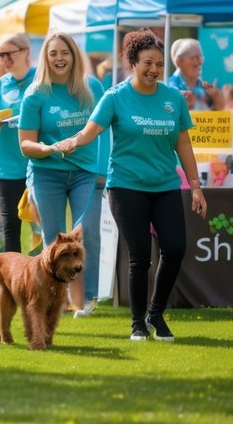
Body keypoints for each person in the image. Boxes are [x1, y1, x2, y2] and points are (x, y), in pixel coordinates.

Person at [57, 29, 207, 341]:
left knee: (176, 248)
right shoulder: (115, 97)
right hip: (126, 187)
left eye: (159, 64)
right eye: (147, 63)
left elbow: (183, 142)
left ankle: (156, 313)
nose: (154, 69)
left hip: (165, 185)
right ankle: (138, 323)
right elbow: (89, 131)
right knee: (140, 256)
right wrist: (72, 142)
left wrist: (195, 186)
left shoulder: (172, 99)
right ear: (132, 63)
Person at [18, 32, 105, 315]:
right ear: (45, 57)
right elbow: (25, 144)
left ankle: (87, 298)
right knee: (53, 241)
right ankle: (55, 297)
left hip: (85, 172)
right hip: (47, 173)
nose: (59, 59)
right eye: (53, 53)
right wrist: (48, 148)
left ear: (74, 56)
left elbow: (106, 129)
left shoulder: (91, 87)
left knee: (87, 231)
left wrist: (104, 170)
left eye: (65, 53)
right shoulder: (35, 95)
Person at [0, 33, 36, 252]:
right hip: (6, 167)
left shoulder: (42, 79)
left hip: (38, 163)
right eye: (0, 55)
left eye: (9, 54)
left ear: (25, 51)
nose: (4, 59)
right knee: (11, 230)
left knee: (44, 229)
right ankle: (13, 285)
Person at [167, 38, 225, 111]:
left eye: (200, 57)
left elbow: (219, 114)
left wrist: (217, 99)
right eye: (194, 58)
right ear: (179, 61)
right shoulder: (171, 86)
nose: (199, 62)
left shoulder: (202, 87)